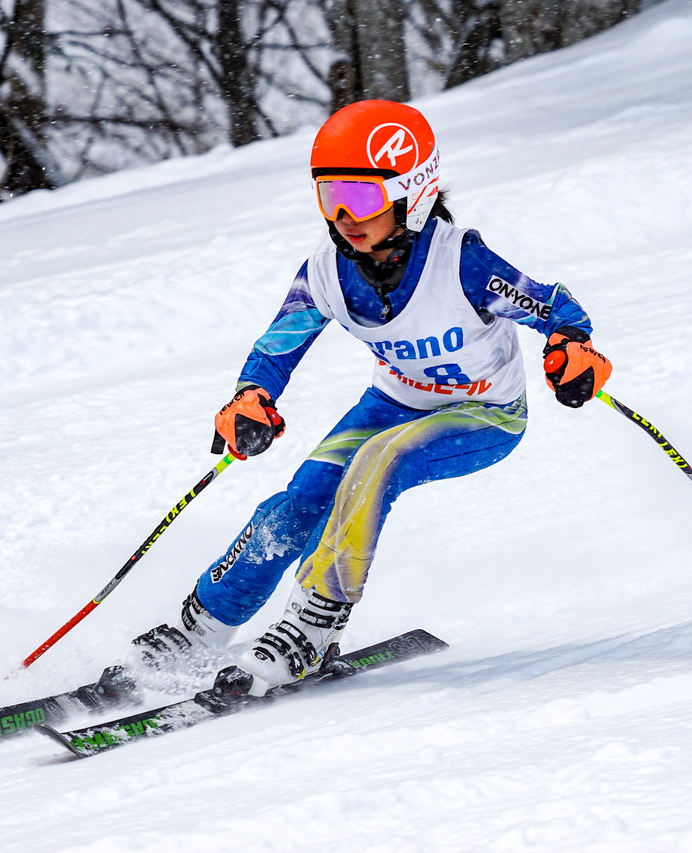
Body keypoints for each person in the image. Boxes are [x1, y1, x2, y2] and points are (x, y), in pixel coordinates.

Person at [125, 99, 611, 695]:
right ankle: (202, 629)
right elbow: (279, 345)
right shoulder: (329, 271)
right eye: (331, 200)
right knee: (299, 503)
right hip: (391, 404)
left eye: (360, 199)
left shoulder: (461, 262)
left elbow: (556, 306)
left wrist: (573, 348)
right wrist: (250, 397)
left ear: (414, 193)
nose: (345, 218)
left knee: (379, 462)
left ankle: (312, 625)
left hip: (482, 416)